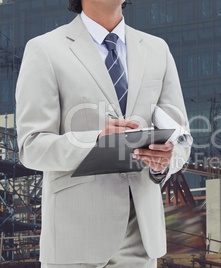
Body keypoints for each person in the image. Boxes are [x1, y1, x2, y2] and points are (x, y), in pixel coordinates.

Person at [15, 0, 190, 267]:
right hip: (75, 235)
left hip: (140, 235)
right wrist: (96, 141)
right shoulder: (45, 50)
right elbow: (32, 146)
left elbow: (181, 138)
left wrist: (165, 161)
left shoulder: (157, 50)